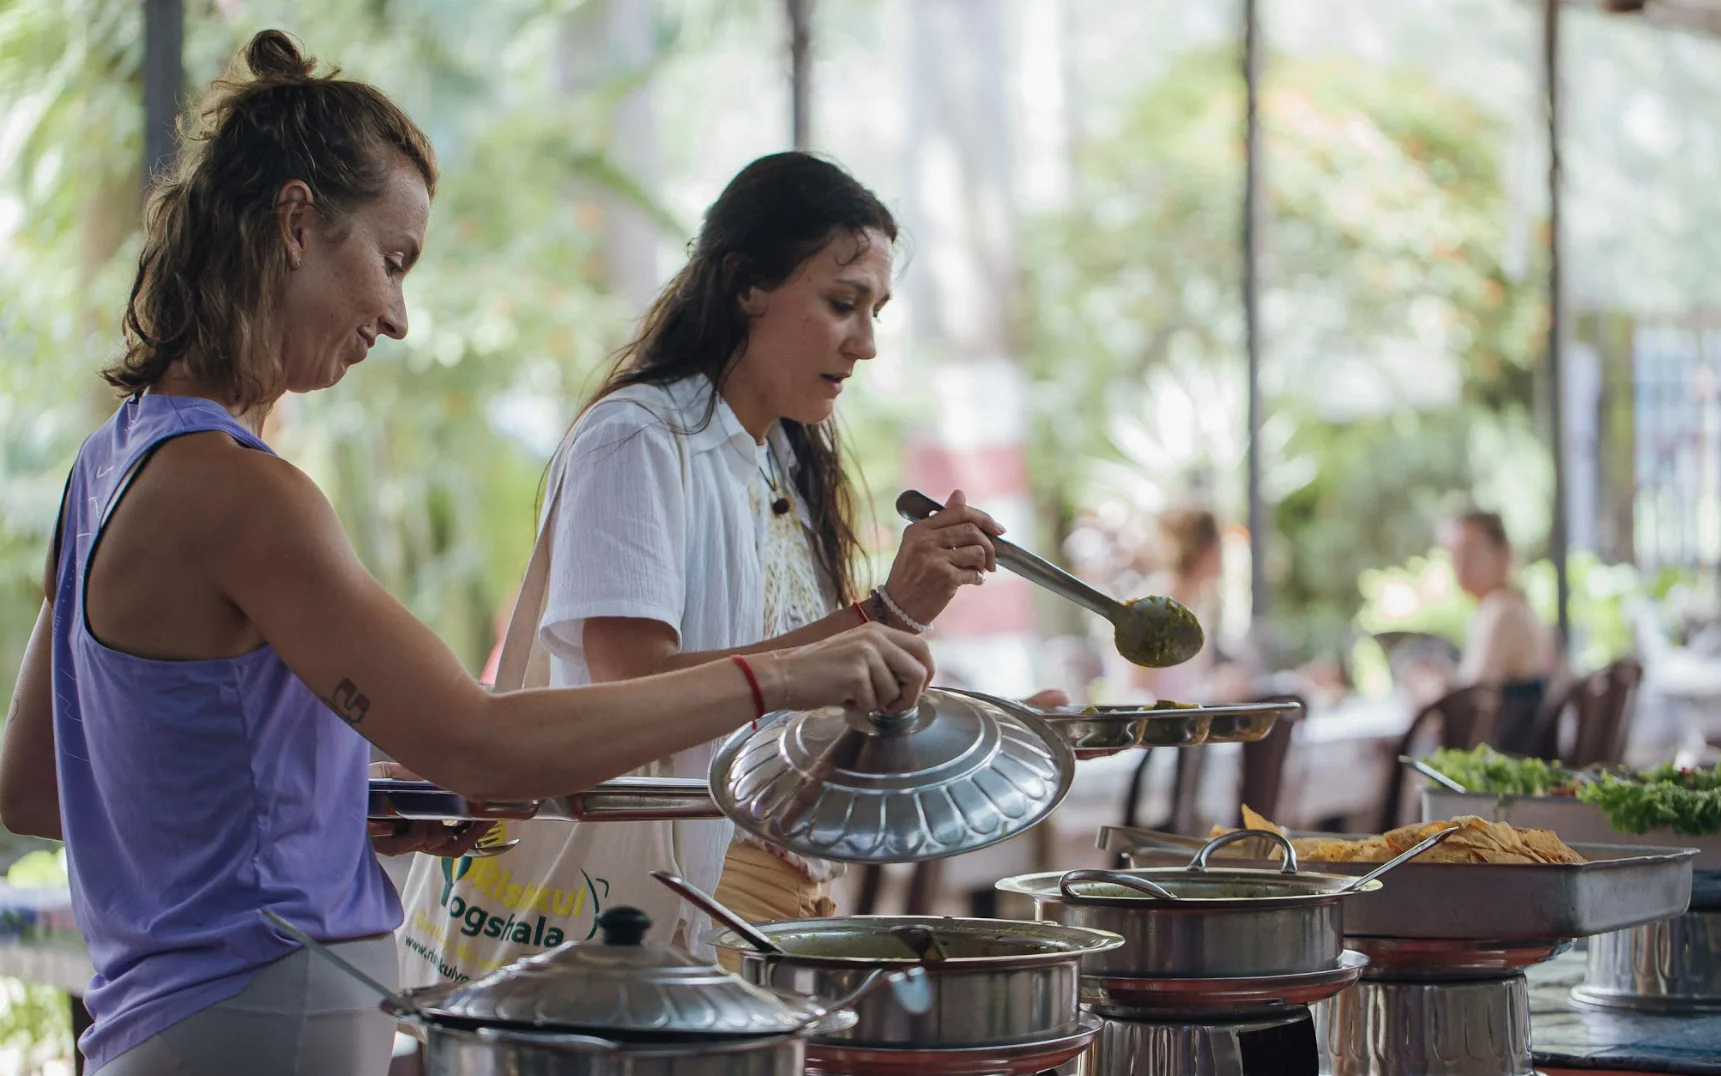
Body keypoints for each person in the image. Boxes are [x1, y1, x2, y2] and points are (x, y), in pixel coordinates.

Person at [0, 33, 932, 1076]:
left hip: (154, 1009)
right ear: (297, 222)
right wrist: (782, 674)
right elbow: (480, 742)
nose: (396, 316)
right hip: (270, 1001)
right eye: (391, 260)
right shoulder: (241, 489)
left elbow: (40, 784)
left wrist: (336, 806)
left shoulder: (109, 460)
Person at [397, 153, 1030, 982]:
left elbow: (784, 714)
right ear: (745, 285)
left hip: (766, 891)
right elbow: (630, 687)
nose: (866, 344)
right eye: (842, 304)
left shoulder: (780, 461)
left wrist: (988, 738)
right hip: (660, 891)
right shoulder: (642, 439)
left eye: (875, 311)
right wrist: (884, 615)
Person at [1440, 509, 1553, 751]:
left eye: (1470, 551)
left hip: (1503, 767)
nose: (1460, 564)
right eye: (1455, 553)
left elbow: (1466, 705)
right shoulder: (1514, 606)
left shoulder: (1501, 611)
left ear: (1503, 556)